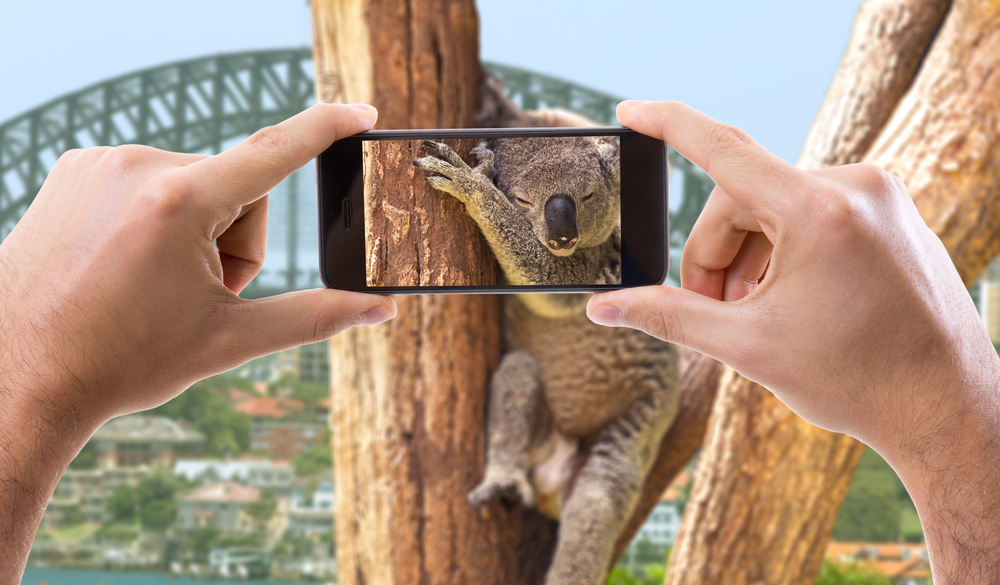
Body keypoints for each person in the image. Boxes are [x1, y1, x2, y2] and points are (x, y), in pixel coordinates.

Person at [0, 101, 994, 583]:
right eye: (535, 196)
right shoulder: (538, 162)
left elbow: (549, 269)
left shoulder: (591, 248)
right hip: (541, 404)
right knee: (514, 377)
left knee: (597, 505)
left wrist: (27, 376)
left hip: (610, 426)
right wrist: (956, 414)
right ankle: (506, 474)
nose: (561, 212)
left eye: (584, 198)